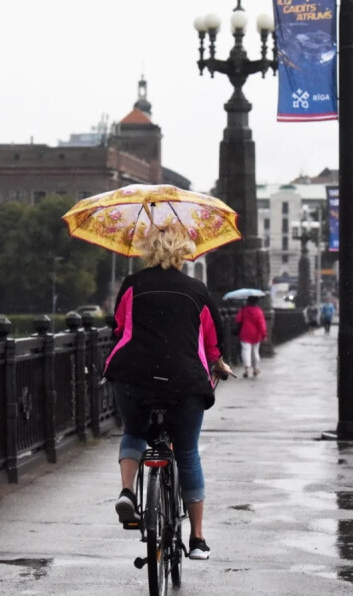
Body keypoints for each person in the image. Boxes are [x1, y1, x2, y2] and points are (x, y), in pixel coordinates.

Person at [103, 221, 233, 561]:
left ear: (148, 249)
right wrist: (218, 363)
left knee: (134, 430)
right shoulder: (197, 290)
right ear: (182, 251)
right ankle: (198, 540)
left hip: (134, 377)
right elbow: (212, 340)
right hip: (184, 382)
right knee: (187, 452)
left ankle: (128, 493)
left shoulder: (132, 285)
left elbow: (119, 327)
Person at [234, 296, 267, 378]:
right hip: (256, 335)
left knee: (246, 351)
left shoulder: (244, 309)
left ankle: (246, 370)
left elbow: (237, 319)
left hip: (245, 333)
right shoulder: (259, 311)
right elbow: (261, 324)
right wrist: (264, 335)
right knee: (255, 352)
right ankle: (255, 368)